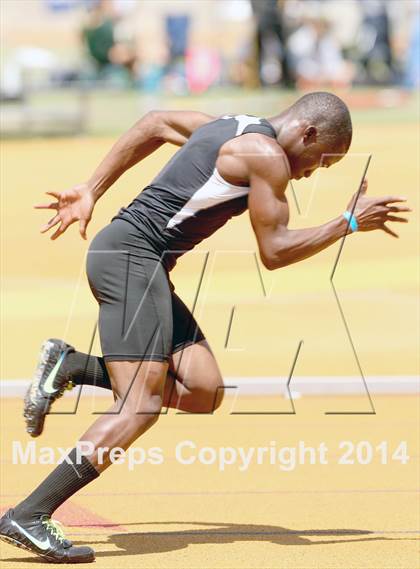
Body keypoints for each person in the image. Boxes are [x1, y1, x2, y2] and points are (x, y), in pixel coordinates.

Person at [0, 92, 411, 563]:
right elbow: (274, 252)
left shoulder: (232, 124)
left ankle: (69, 366)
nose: (308, 174)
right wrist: (348, 222)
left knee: (202, 388)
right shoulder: (267, 156)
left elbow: (155, 122)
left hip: (137, 261)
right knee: (140, 405)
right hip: (132, 259)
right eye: (319, 163)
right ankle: (31, 513)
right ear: (308, 133)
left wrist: (94, 187)